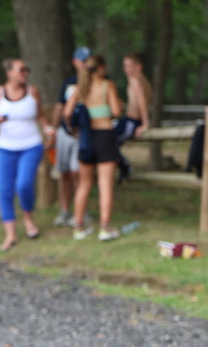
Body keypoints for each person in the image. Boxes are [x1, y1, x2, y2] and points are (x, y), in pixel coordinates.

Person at [0, 58, 52, 251]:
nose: (25, 73)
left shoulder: (33, 92)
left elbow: (40, 115)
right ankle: (10, 234)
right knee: (5, 189)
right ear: (9, 73)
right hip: (6, 148)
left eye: (27, 70)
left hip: (31, 146)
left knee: (24, 184)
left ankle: (28, 218)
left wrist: (47, 128)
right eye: (21, 70)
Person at [63, 54, 123, 241]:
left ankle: (78, 227)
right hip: (105, 135)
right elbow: (116, 111)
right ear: (101, 68)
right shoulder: (107, 85)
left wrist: (76, 128)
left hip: (86, 138)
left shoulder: (80, 88)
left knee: (84, 184)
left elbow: (67, 112)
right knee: (105, 184)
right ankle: (105, 227)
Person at [50, 47, 91, 228]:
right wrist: (53, 129)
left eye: (87, 61)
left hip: (83, 135)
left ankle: (80, 211)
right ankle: (65, 210)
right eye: (82, 61)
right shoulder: (68, 83)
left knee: (78, 173)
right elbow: (61, 107)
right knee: (64, 173)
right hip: (65, 134)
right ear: (75, 62)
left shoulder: (97, 83)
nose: (84, 64)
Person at [113, 52, 153, 183]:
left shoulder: (135, 80)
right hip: (127, 120)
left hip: (132, 121)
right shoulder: (143, 81)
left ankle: (124, 166)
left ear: (138, 66)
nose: (126, 69)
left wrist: (145, 123)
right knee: (106, 138)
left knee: (108, 142)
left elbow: (142, 102)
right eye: (124, 66)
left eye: (129, 66)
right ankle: (123, 166)